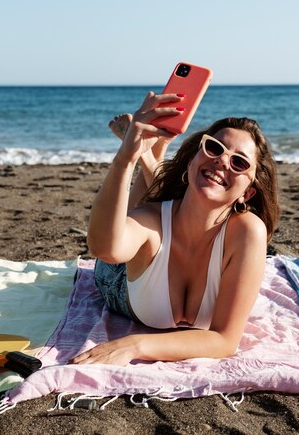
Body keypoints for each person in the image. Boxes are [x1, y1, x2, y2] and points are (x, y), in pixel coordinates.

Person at [71, 91, 280, 366]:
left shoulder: (247, 232)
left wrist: (135, 344)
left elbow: (225, 340)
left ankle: (153, 156)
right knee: (141, 213)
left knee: (155, 199)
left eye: (239, 162)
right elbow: (104, 249)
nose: (222, 161)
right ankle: (148, 156)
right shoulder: (153, 220)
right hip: (119, 282)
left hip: (158, 234)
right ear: (193, 159)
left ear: (248, 194)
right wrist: (125, 159)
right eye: (214, 148)